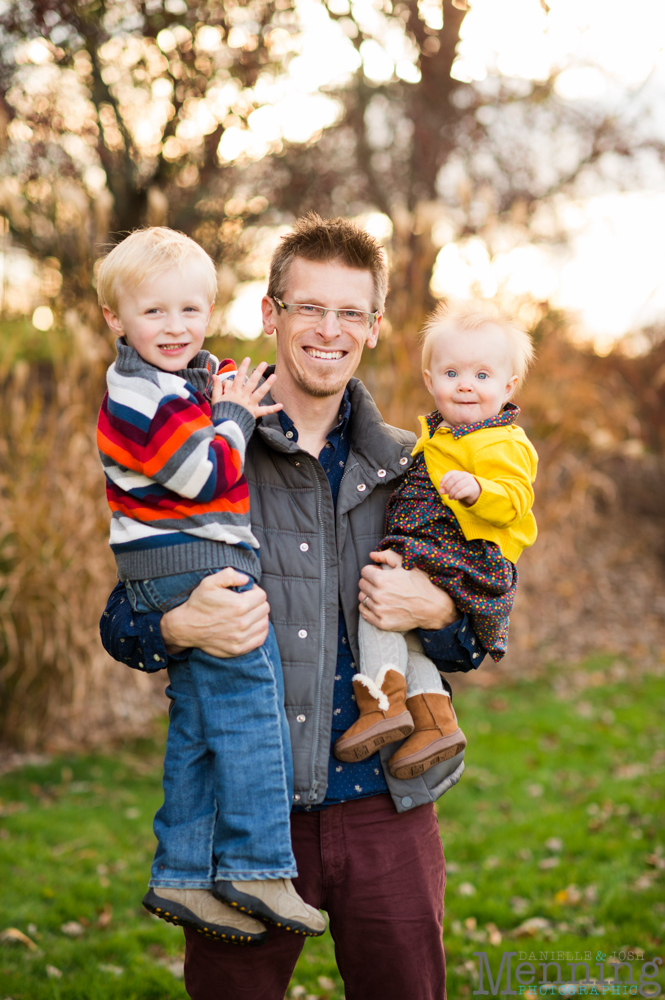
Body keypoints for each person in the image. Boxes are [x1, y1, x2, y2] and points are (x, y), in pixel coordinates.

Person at [100, 214, 483, 1000]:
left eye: (351, 313)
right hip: (249, 820)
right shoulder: (202, 445)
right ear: (271, 314)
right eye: (309, 307)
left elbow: (483, 627)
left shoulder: (413, 467)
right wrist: (176, 626)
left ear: (374, 328)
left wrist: (441, 614)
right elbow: (123, 614)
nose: (329, 331)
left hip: (386, 808)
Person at [96, 227, 326, 944]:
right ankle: (259, 866)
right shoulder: (138, 395)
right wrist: (230, 416)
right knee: (252, 705)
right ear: (116, 319)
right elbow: (203, 473)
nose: (176, 327)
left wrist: (217, 391)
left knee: (198, 724)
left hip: (174, 564)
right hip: (187, 565)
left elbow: (203, 401)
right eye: (155, 312)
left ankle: (183, 874)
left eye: (191, 311)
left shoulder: (173, 383)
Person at [333, 300, 538, 779]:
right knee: (411, 639)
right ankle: (434, 721)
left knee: (379, 600)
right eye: (451, 372)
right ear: (430, 380)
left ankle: (381, 703)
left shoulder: (501, 442)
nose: (466, 383)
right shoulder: (438, 436)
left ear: (509, 386)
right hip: (439, 553)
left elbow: (515, 499)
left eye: (482, 375)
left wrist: (478, 491)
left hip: (460, 555)